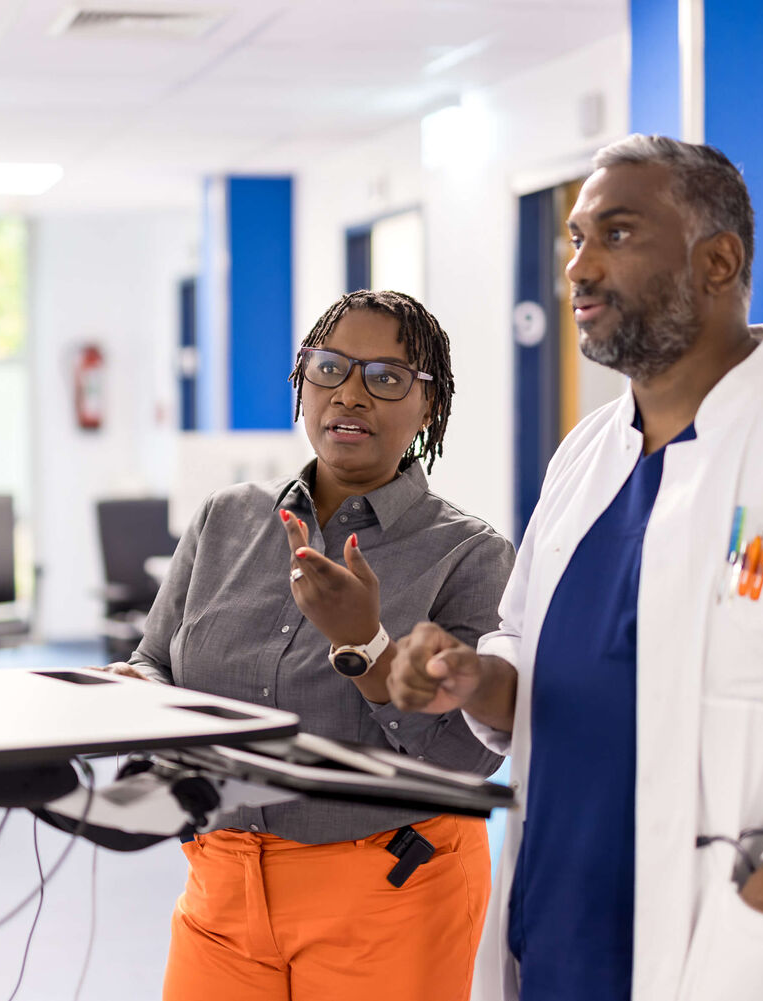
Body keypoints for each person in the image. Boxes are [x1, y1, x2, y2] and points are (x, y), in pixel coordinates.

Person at [388, 135, 763, 1001]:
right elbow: (529, 656)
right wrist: (472, 677)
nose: (580, 268)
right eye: (575, 240)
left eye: (616, 234)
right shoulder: (585, 457)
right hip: (555, 938)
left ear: (719, 260)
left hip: (734, 955)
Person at [114, 289, 515, 1001]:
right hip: (221, 883)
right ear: (302, 382)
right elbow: (155, 659)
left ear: (429, 406)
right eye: (330, 368)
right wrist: (139, 699)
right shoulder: (226, 518)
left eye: (387, 378)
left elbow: (467, 757)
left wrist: (366, 643)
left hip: (390, 889)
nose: (351, 394)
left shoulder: (468, 553)